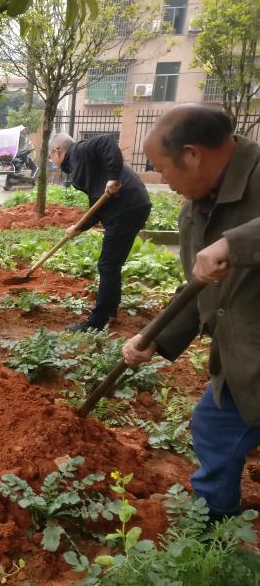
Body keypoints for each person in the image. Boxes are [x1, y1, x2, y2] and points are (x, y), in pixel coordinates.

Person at [122, 104, 260, 521]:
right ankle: (214, 527)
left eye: (162, 169)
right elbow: (200, 289)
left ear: (193, 154)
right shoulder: (195, 211)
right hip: (244, 360)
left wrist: (235, 244)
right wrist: (154, 336)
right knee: (214, 428)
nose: (162, 179)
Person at [48, 132, 152, 332]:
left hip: (126, 206)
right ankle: (110, 310)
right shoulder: (80, 165)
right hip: (129, 205)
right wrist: (79, 227)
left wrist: (113, 177)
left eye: (50, 156)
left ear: (57, 151)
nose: (52, 160)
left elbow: (106, 141)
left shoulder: (78, 151)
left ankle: (97, 321)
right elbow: (98, 204)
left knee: (107, 264)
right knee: (111, 264)